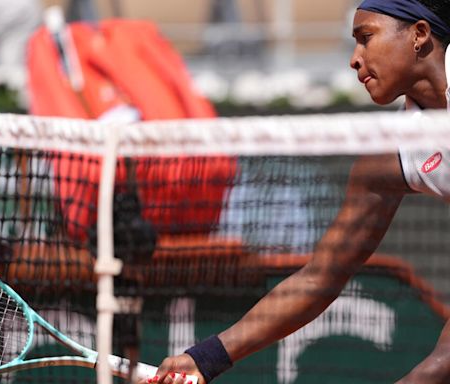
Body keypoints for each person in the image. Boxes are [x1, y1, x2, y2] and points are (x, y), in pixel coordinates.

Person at [143, 1, 450, 383]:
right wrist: (206, 357)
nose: (354, 60)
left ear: (419, 35)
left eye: (365, 38)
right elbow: (318, 278)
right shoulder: (389, 160)